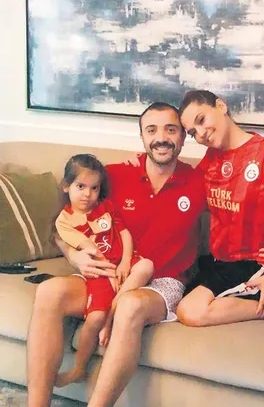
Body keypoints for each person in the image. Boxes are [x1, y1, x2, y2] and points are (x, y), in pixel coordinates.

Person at [27, 102, 206, 407]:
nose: (161, 138)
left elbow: (239, 212)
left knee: (130, 305)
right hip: (110, 272)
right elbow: (62, 224)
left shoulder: (200, 180)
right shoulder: (113, 176)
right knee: (49, 291)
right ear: (142, 136)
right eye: (152, 130)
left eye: (170, 129)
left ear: (182, 136)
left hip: (162, 282)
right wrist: (73, 256)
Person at [176, 89, 264, 327]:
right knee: (172, 301)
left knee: (190, 311)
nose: (201, 134)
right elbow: (183, 202)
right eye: (193, 132)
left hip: (254, 264)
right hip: (218, 263)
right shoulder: (210, 160)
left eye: (201, 120)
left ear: (221, 106)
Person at [53, 153, 154, 387]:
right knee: (94, 318)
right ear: (66, 186)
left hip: (122, 264)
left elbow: (124, 234)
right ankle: (78, 369)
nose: (87, 194)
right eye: (80, 186)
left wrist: (126, 262)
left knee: (146, 265)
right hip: (99, 270)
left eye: (94, 188)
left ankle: (111, 317)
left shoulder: (106, 206)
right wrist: (111, 275)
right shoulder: (64, 221)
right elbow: (92, 250)